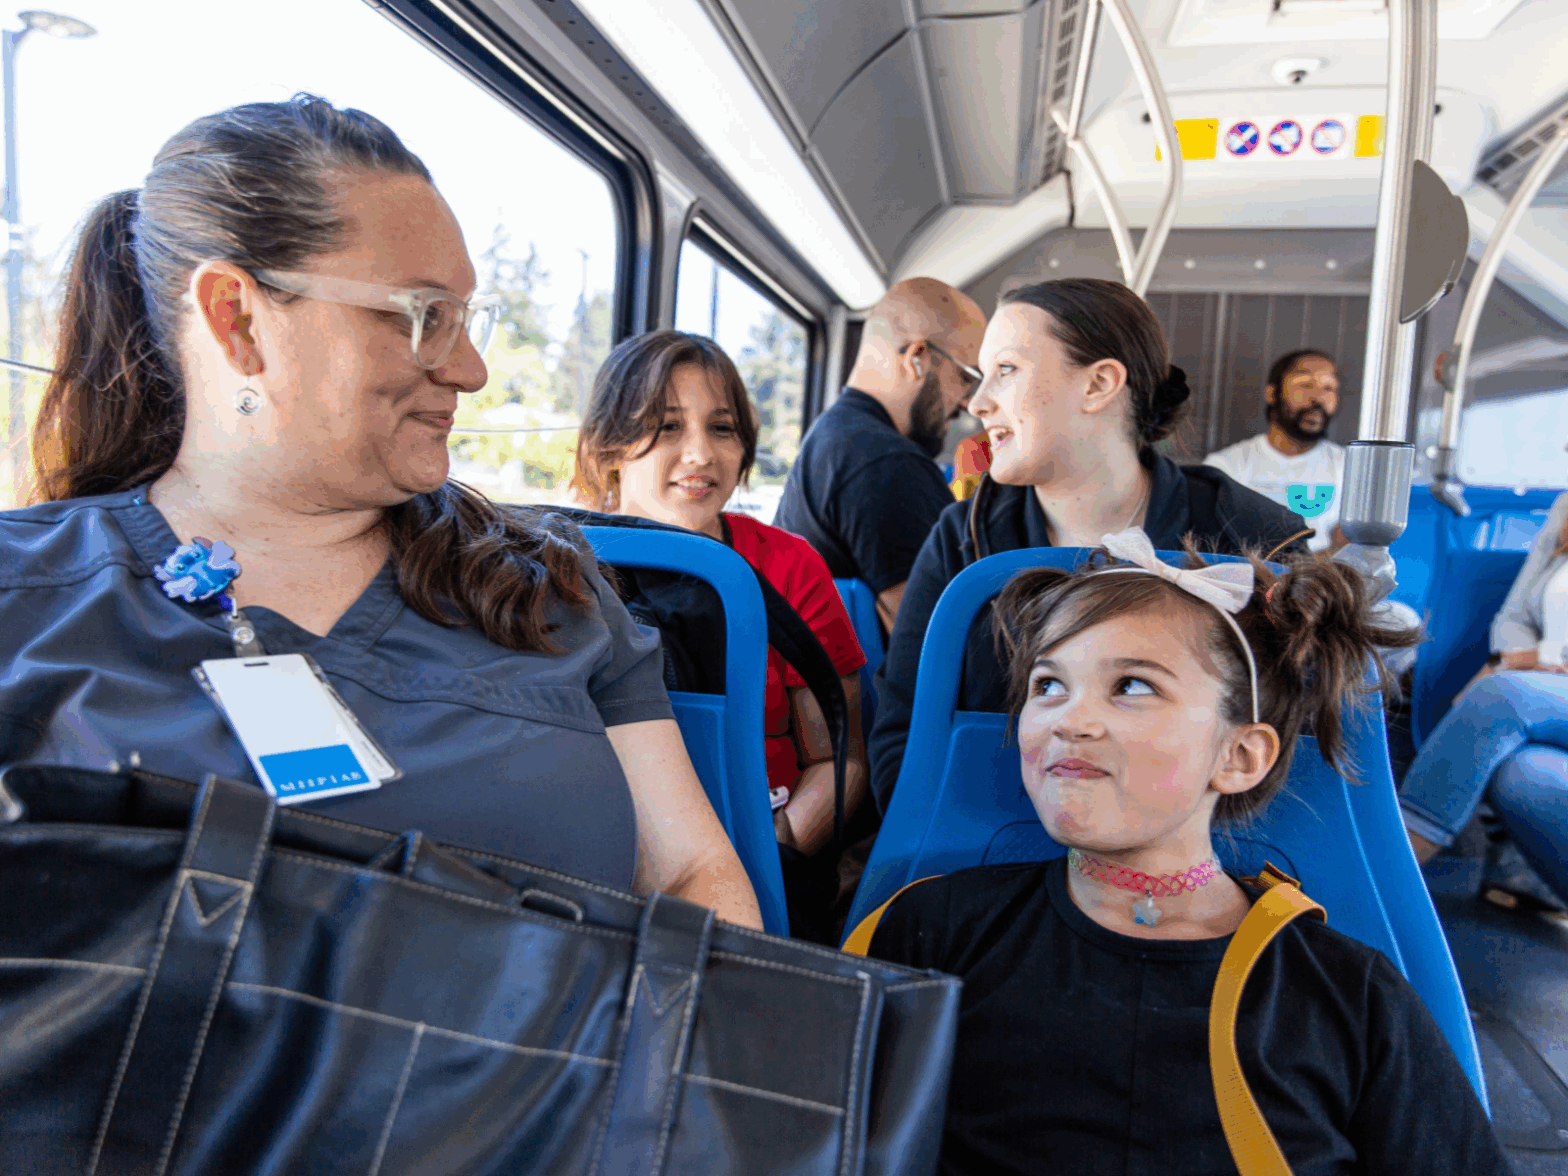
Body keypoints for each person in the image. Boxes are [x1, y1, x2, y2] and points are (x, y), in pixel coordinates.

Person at [1, 96, 761, 929]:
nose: (470, 370)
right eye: (421, 317)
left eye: (465, 320)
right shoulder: (26, 595)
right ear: (238, 320)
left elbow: (695, 875)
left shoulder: (548, 588)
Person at [865, 534, 1506, 1175]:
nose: (1069, 719)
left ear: (1239, 757)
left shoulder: (1346, 996)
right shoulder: (930, 931)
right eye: (1048, 685)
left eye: (1133, 687)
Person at [868, 278, 1309, 809]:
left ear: (1099, 384)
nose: (978, 402)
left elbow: (1301, 750)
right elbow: (899, 742)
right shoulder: (962, 542)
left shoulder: (1254, 542)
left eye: (1006, 370)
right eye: (981, 377)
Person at [572, 330, 868, 939]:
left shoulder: (787, 567)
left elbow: (841, 758)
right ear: (610, 447)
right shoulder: (555, 568)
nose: (702, 454)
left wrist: (770, 853)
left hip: (763, 840)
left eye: (723, 428)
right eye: (669, 426)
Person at [774, 277, 987, 636]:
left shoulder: (833, 435)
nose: (970, 402)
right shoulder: (889, 465)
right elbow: (934, 639)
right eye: (966, 377)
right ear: (917, 358)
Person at [1401, 479, 1568, 909]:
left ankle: (1387, 872)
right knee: (1522, 777)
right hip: (1546, 686)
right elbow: (1515, 615)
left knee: (1499, 697)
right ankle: (1531, 878)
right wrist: (1517, 657)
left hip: (1536, 683)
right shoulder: (1566, 507)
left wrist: (1523, 661)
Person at [1203, 349, 1346, 552]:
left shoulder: (1349, 468)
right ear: (1272, 393)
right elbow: (1211, 545)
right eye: (1305, 385)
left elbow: (1350, 549)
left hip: (1319, 583)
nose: (1318, 398)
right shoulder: (1226, 467)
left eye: (1329, 388)